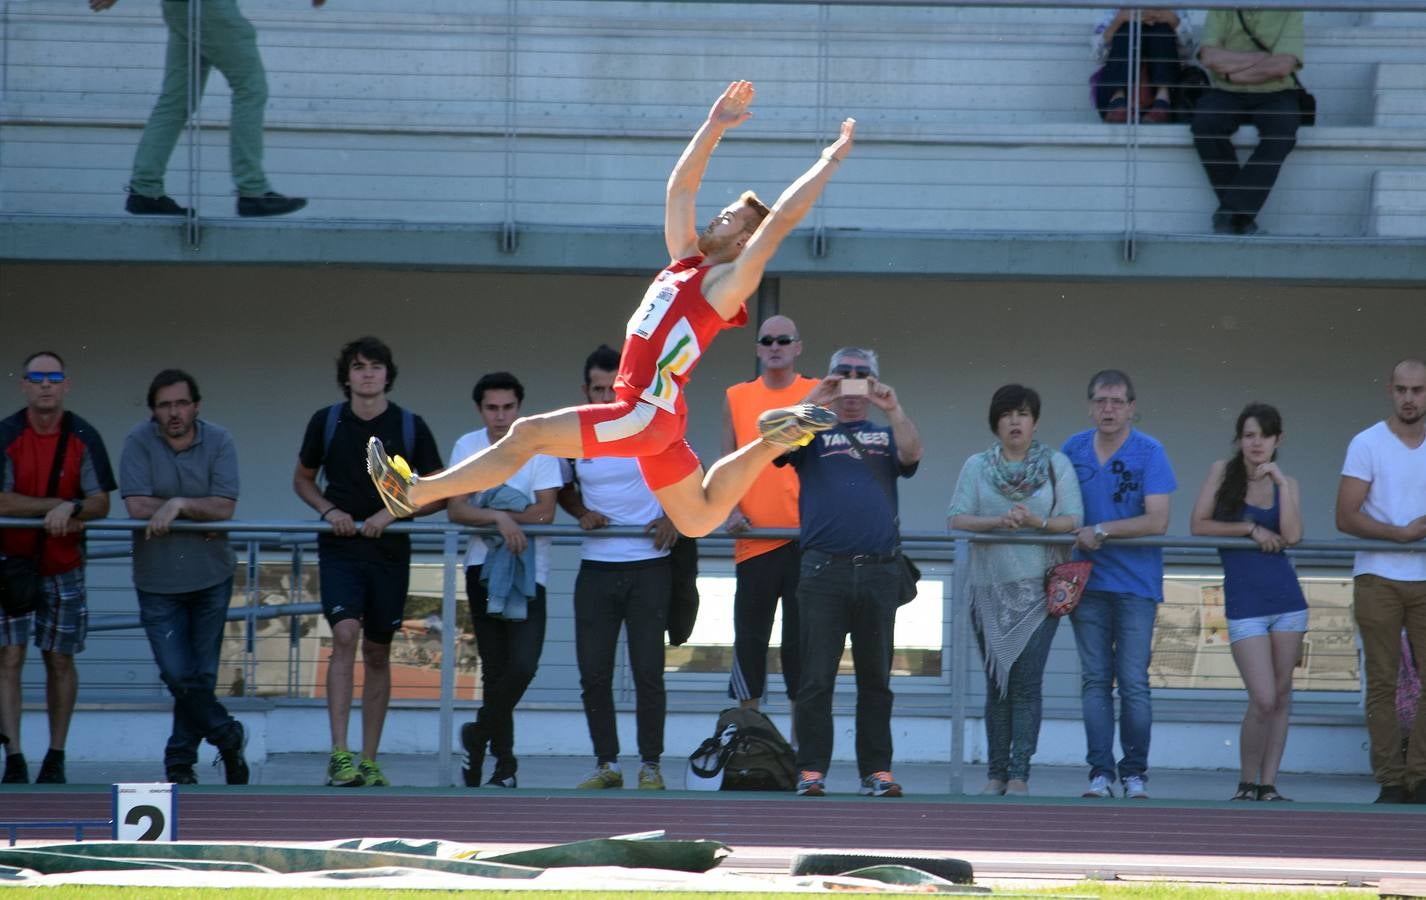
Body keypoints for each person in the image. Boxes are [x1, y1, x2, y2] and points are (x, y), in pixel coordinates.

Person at [367, 81, 853, 539]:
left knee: (526, 433)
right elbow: (680, 188)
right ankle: (775, 438)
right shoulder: (684, 260)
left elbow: (781, 221)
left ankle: (414, 493)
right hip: (660, 416)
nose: (716, 215)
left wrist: (829, 160)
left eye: (728, 218)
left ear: (743, 240)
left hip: (640, 412)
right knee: (699, 519)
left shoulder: (726, 284)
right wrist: (714, 125)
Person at [293, 336, 443, 788]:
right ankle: (339, 755)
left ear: (387, 374)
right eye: (359, 366)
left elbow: (438, 490)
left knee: (378, 651)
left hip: (389, 551)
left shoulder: (411, 425)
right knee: (344, 634)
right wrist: (329, 511)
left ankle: (369, 759)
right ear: (347, 375)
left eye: (375, 366)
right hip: (340, 546)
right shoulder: (327, 421)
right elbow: (302, 479)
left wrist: (390, 512)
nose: (367, 374)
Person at [781, 347, 922, 798]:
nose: (853, 384)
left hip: (879, 572)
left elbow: (913, 453)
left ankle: (876, 771)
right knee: (816, 677)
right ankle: (811, 772)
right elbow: (777, 445)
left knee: (875, 680)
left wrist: (894, 406)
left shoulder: (884, 434)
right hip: (824, 572)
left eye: (862, 376)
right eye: (843, 375)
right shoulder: (813, 432)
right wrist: (816, 401)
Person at [948, 384, 1083, 798]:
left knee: (1026, 684)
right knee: (997, 683)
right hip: (988, 591)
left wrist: (1036, 524)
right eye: (1007, 414)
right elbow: (957, 518)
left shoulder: (1056, 464)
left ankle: (1020, 774)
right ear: (996, 422)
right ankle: (995, 773)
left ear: (1035, 421)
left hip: (1042, 590)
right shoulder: (976, 465)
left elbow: (1073, 518)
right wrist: (997, 522)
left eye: (1023, 414)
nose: (1014, 421)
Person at [557, 345, 677, 791]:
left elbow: (691, 481)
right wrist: (580, 511)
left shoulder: (652, 425)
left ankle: (651, 765)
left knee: (648, 671)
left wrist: (673, 519)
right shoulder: (572, 433)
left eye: (613, 388)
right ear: (585, 389)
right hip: (596, 568)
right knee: (593, 673)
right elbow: (564, 488)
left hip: (650, 567)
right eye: (598, 388)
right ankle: (607, 763)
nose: (607, 396)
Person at [120, 369, 248, 785]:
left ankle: (179, 762)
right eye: (164, 405)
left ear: (196, 405)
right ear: (153, 410)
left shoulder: (220, 439)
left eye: (180, 403)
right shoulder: (138, 441)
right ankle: (227, 735)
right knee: (178, 674)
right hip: (157, 580)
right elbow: (136, 507)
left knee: (201, 677)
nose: (173, 413)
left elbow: (224, 507)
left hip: (211, 574)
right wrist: (197, 508)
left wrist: (176, 505)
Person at [0, 351, 115, 785]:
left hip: (63, 564)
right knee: (8, 657)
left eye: (54, 377)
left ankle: (55, 756)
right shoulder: (6, 434)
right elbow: (1, 499)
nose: (46, 384)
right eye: (37, 377)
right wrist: (59, 506)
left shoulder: (84, 434)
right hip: (10, 562)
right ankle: (13, 756)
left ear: (66, 384)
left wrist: (78, 506)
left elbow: (101, 501)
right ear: (24, 385)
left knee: (59, 660)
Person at [1062, 369, 1176, 800]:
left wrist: (1103, 531)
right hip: (1085, 583)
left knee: (1133, 682)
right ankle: (1099, 773)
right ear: (1089, 405)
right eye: (1100, 401)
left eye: (1116, 401)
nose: (1107, 409)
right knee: (1094, 681)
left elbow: (1158, 519)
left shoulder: (1150, 451)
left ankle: (1135, 774)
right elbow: (1056, 505)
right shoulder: (1072, 448)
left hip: (1136, 585)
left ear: (1131, 407)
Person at [90, 0, 313, 218]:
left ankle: (145, 190)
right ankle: (253, 191)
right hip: (209, 7)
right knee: (250, 89)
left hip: (181, 7)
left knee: (177, 100)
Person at [1189, 402, 1305, 803]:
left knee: (1283, 693)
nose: (1257, 443)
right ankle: (1245, 782)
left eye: (1265, 435)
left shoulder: (1285, 481)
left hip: (1287, 600)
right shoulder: (1223, 471)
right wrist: (1250, 528)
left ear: (1278, 440)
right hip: (1245, 603)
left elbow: (1291, 535)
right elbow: (1198, 524)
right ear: (1239, 439)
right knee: (1263, 696)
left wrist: (1282, 487)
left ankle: (1268, 784)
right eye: (1250, 435)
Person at [450, 371, 560, 790]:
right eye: (492, 408)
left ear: (520, 408)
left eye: (508, 407)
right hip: (482, 568)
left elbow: (546, 512)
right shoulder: (467, 445)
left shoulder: (540, 447)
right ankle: (505, 767)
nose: (500, 416)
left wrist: (495, 513)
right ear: (481, 410)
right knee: (495, 671)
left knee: (524, 665)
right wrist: (499, 516)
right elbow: (457, 511)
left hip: (533, 572)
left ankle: (476, 737)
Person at [1335, 359, 1426, 805]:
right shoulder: (1367, 442)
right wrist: (1400, 534)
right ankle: (1391, 780)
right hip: (1377, 576)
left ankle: (1420, 777)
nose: (1410, 398)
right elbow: (1345, 515)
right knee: (1383, 682)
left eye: (1418, 390)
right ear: (1389, 390)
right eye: (1402, 389)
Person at [722, 314, 819, 721]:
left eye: (784, 340)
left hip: (805, 541)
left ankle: (801, 759)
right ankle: (748, 741)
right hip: (755, 541)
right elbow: (727, 465)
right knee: (750, 643)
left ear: (798, 347)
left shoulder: (816, 392)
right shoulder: (737, 396)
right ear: (759, 349)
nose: (775, 346)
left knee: (801, 647)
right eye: (767, 340)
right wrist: (730, 509)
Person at [1192, 9, 1305, 236]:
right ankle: (1238, 217)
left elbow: (1283, 66)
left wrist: (1233, 71)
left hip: (1276, 91)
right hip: (1226, 91)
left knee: (1283, 130)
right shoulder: (1221, 8)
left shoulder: (1290, 10)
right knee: (1205, 123)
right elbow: (1209, 57)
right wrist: (1261, 60)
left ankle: (1231, 213)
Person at [1093, 8, 1194, 124]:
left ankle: (1162, 103)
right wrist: (1119, 21)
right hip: (1113, 98)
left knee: (1162, 28)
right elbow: (1097, 56)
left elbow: (1189, 53)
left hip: (1168, 98)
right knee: (1128, 27)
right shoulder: (1116, 8)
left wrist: (1175, 22)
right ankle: (1118, 101)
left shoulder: (1173, 7)